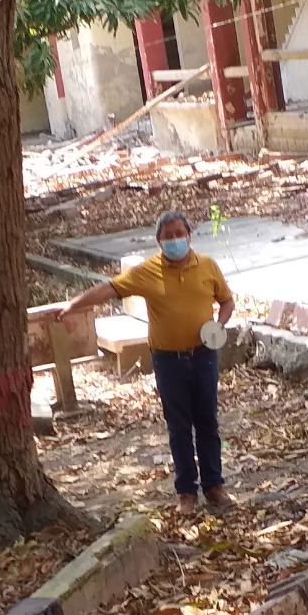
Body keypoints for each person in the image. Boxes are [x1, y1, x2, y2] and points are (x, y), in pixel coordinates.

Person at [53, 210, 235, 515]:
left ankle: (214, 486)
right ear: (159, 241)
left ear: (190, 236)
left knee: (208, 423)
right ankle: (186, 492)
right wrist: (72, 306)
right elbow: (109, 288)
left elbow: (227, 301)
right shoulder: (147, 271)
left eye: (180, 234)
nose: (176, 240)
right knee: (178, 427)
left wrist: (220, 323)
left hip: (204, 357)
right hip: (168, 361)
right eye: (169, 236)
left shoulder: (207, 266)